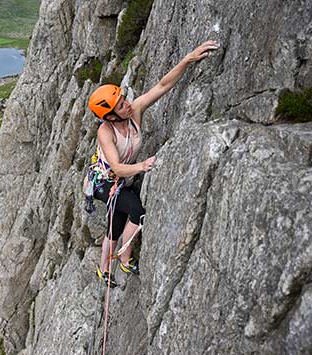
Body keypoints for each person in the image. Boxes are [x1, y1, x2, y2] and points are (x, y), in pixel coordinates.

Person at [86, 40, 219, 287]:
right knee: (137, 213)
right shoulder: (106, 132)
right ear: (111, 116)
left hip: (125, 178)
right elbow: (116, 167)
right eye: (120, 105)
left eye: (124, 99)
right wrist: (143, 166)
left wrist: (188, 59)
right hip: (106, 183)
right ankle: (124, 259)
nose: (127, 103)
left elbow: (162, 86)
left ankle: (103, 268)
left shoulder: (134, 112)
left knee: (115, 225)